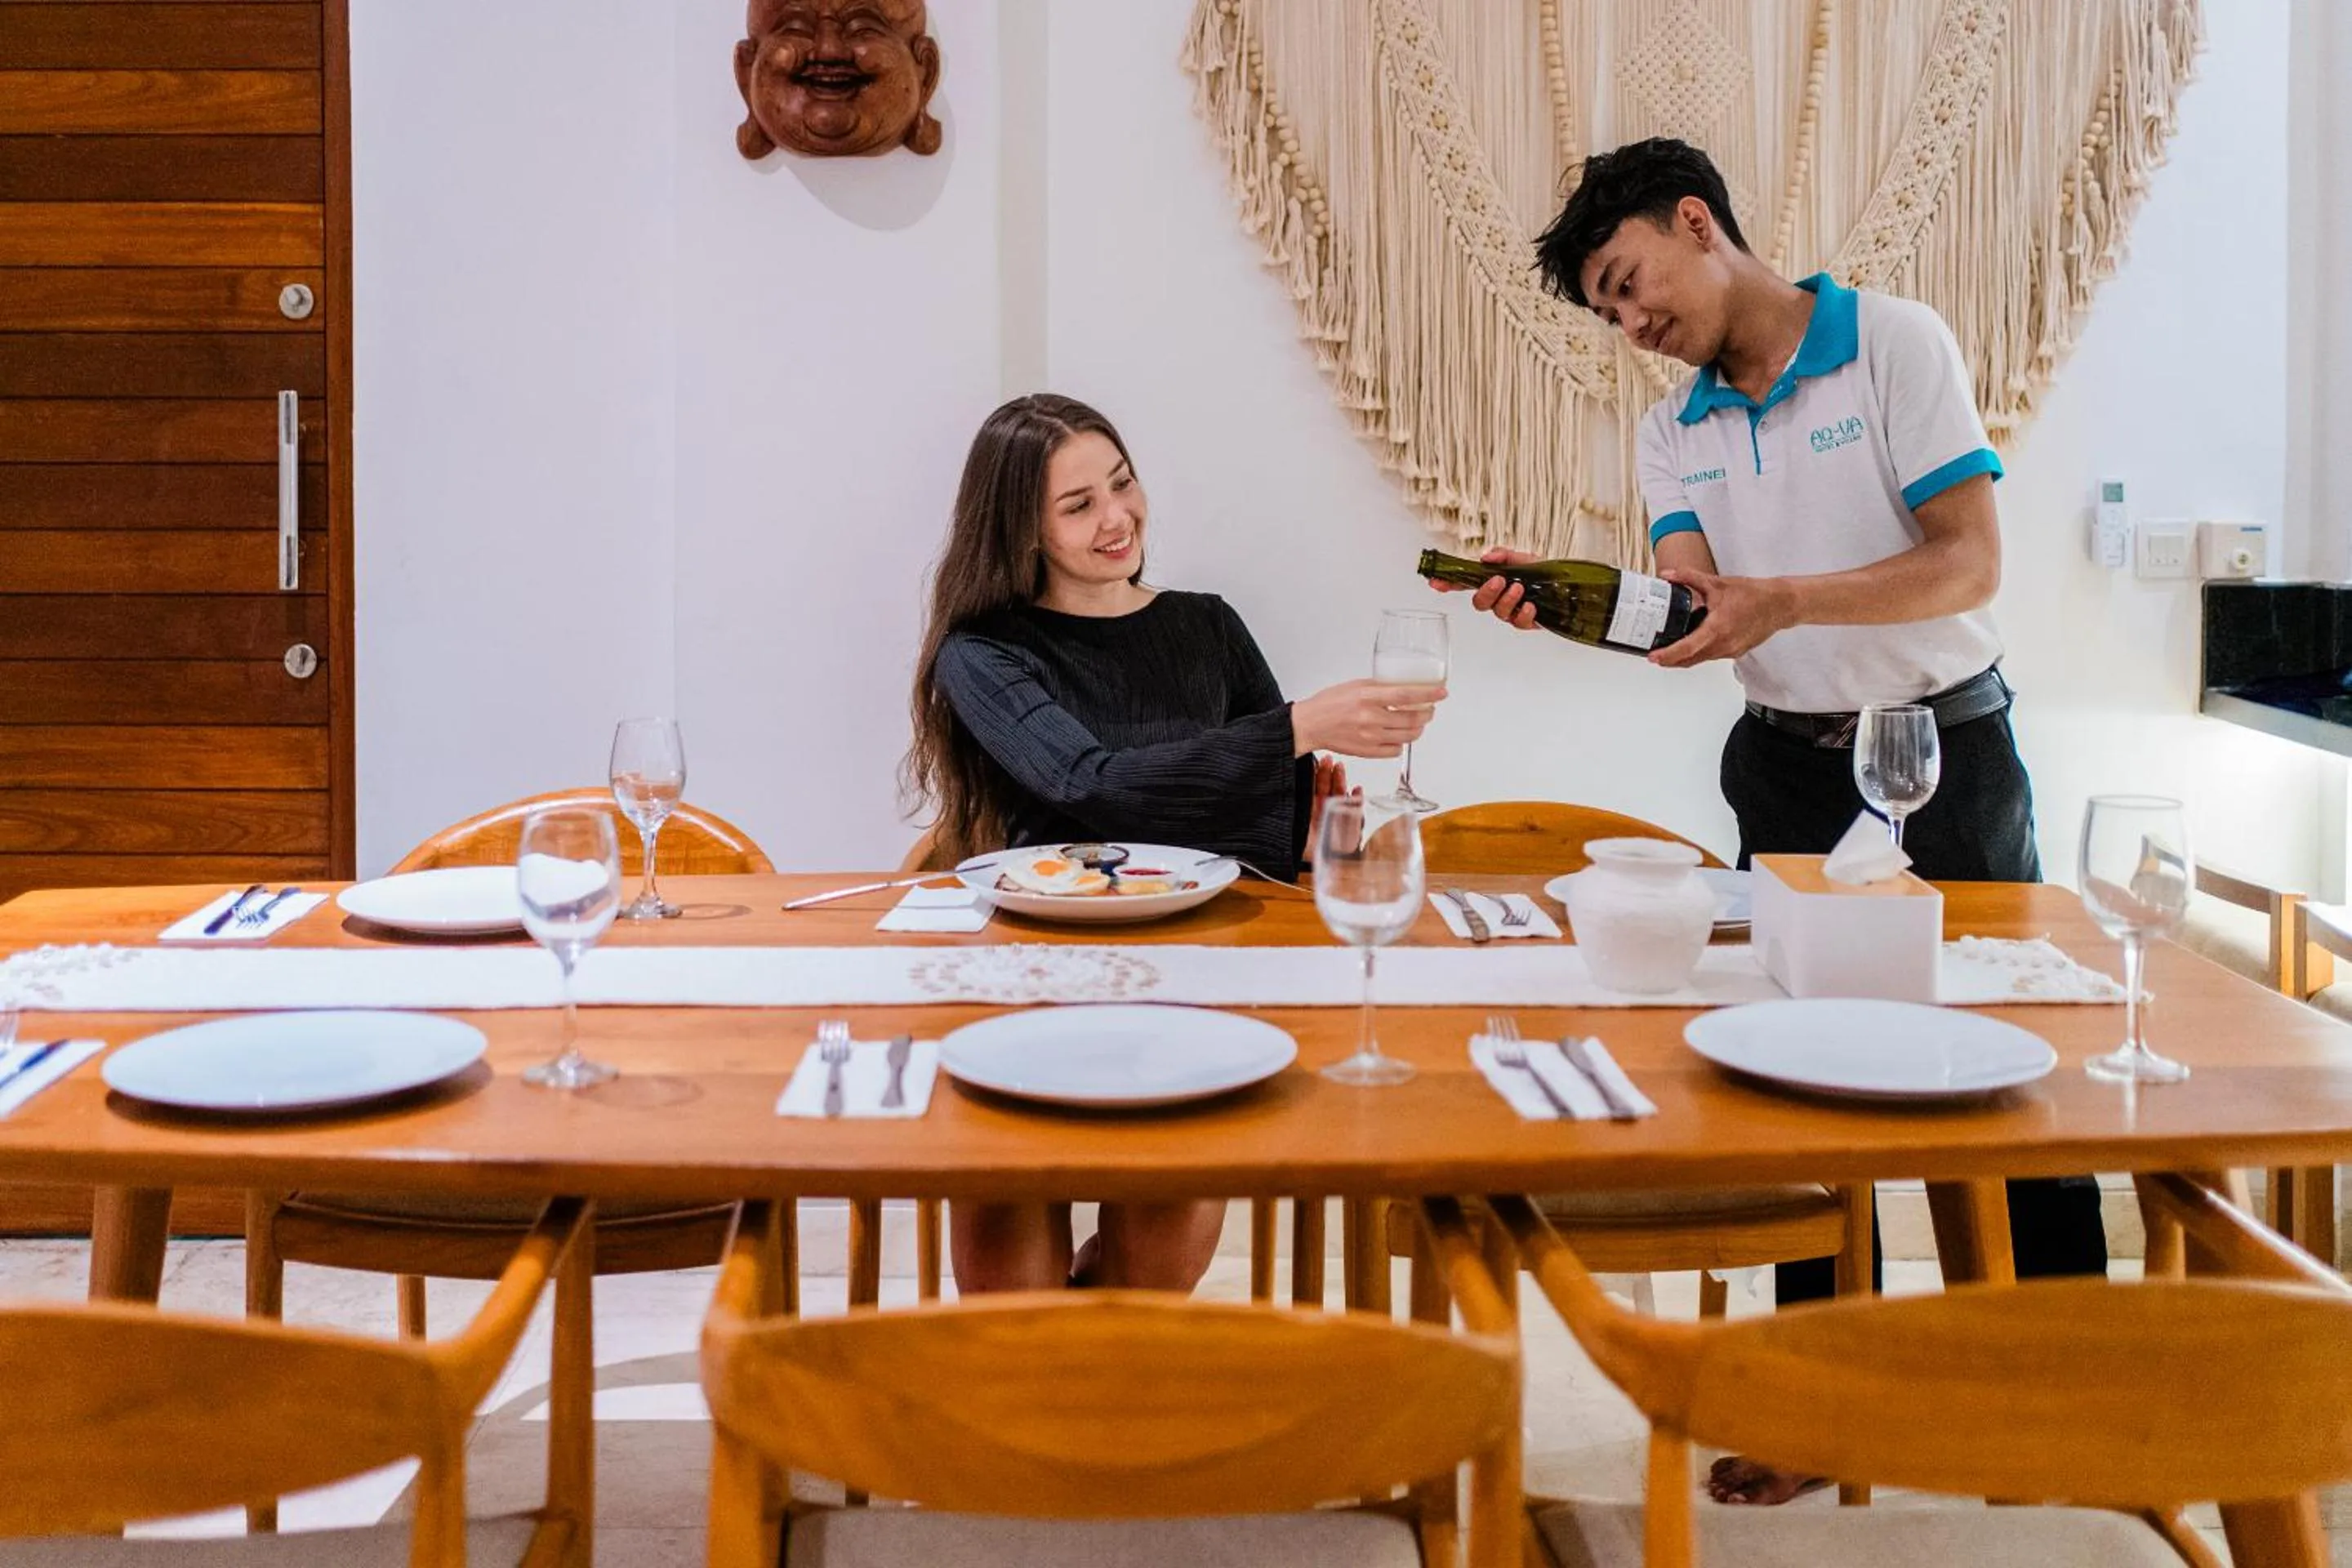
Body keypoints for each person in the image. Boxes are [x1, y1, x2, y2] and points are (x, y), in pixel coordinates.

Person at [1443, 138, 2107, 1503]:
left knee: (2013, 1079)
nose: (1632, 325)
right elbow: (1693, 619)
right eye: (1610, 313)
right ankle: (1816, 1409)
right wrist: (1560, 596)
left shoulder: (1891, 346)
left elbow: (1966, 563)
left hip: (1944, 751)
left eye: (1631, 284)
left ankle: (2067, 1403)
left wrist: (1787, 600)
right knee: (1804, 1080)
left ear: (1700, 223)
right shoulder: (1673, 424)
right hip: (1788, 771)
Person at [906, 391, 1446, 1294]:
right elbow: (1090, 782)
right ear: (1022, 530)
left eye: (1121, 483)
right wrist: (1293, 729)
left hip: (1195, 967)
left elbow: (1265, 831)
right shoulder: (985, 653)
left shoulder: (1207, 626)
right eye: (1078, 506)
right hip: (1029, 970)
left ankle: (1104, 1395)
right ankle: (1021, 1406)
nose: (1117, 517)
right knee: (1008, 1223)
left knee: (1169, 1205)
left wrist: (1295, 814)